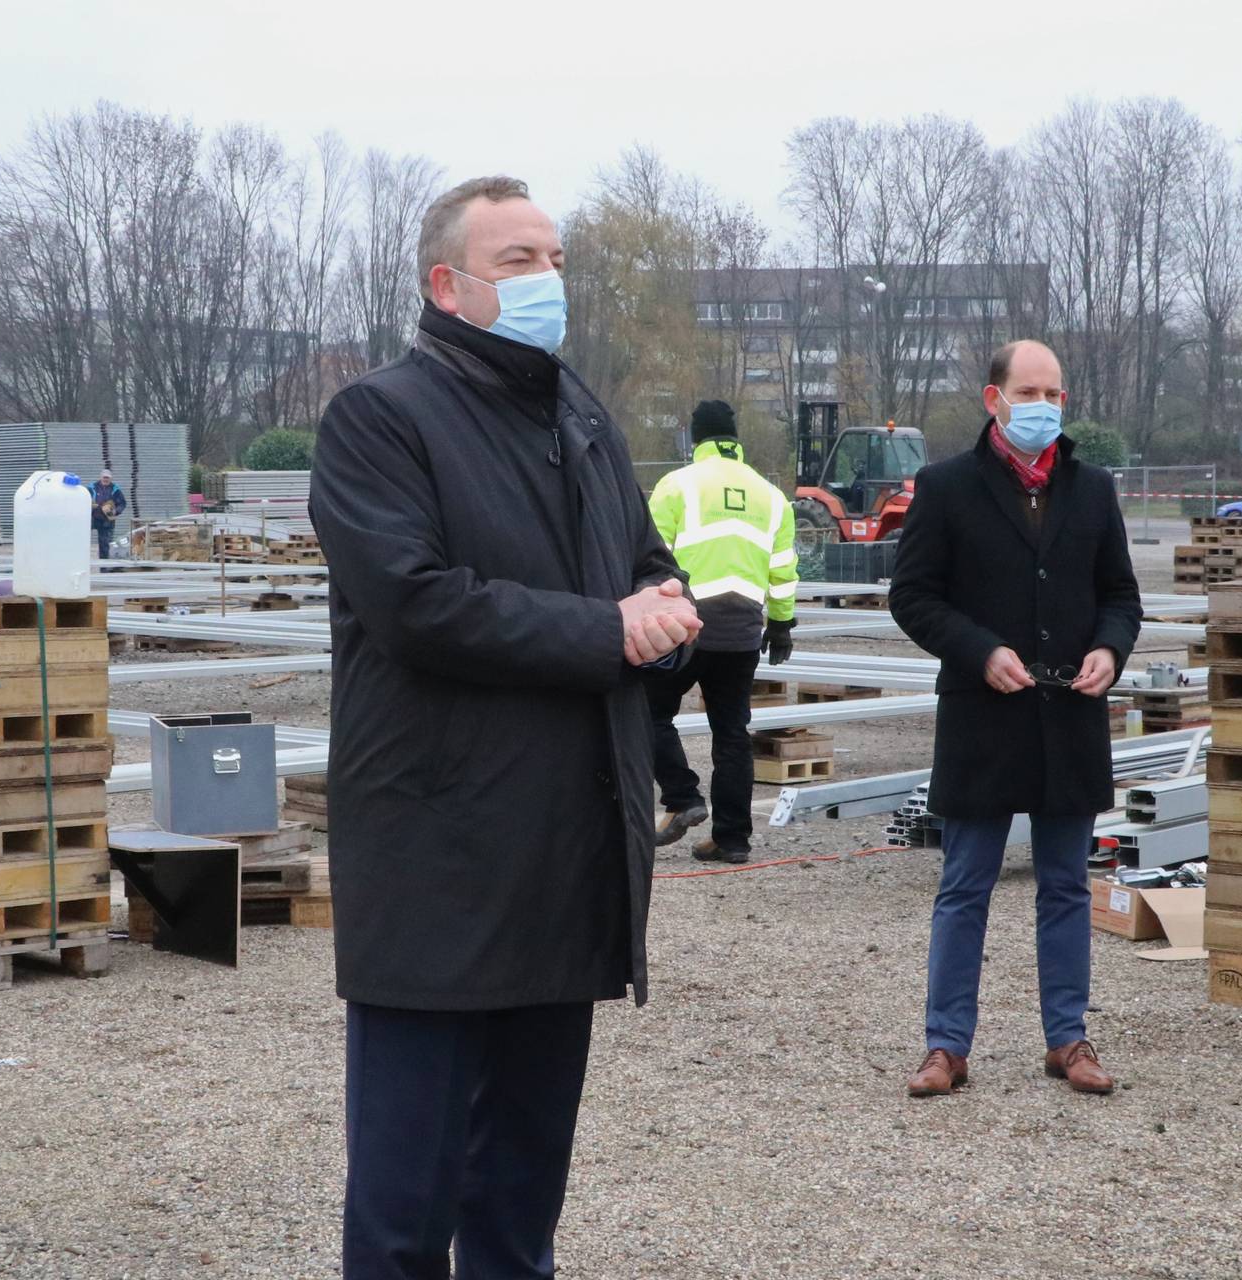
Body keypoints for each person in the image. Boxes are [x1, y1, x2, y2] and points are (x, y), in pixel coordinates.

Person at [310, 174, 698, 1280]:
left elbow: (642, 568)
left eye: (555, 259)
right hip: (440, 866)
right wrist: (608, 632)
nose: (548, 280)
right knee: (402, 1206)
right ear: (449, 283)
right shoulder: (381, 417)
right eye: (518, 261)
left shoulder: (580, 415)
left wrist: (665, 619)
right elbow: (417, 603)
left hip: (563, 858)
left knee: (520, 1203)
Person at [887, 338, 1142, 1100]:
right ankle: (945, 1046)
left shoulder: (1092, 490)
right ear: (993, 398)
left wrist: (1110, 648)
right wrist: (978, 650)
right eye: (1028, 392)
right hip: (982, 717)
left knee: (1065, 886)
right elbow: (914, 597)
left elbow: (1121, 596)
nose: (1043, 407)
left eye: (1054, 395)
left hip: (1070, 716)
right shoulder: (946, 486)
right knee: (965, 884)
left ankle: (1068, 1039)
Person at [643, 399, 798, 864]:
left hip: (686, 626)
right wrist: (782, 622)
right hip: (744, 630)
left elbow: (649, 556)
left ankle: (683, 797)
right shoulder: (771, 495)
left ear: (696, 439)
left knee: (645, 714)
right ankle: (732, 839)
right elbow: (783, 567)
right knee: (732, 733)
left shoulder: (677, 485)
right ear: (735, 439)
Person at [90, 469, 126, 559]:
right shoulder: (92, 487)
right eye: (104, 477)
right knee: (83, 540)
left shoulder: (115, 489)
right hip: (92, 518)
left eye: (107, 478)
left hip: (106, 520)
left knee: (104, 544)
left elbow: (122, 503)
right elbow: (83, 499)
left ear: (111, 478)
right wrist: (90, 505)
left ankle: (104, 568)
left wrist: (116, 511)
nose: (105, 479)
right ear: (100, 477)